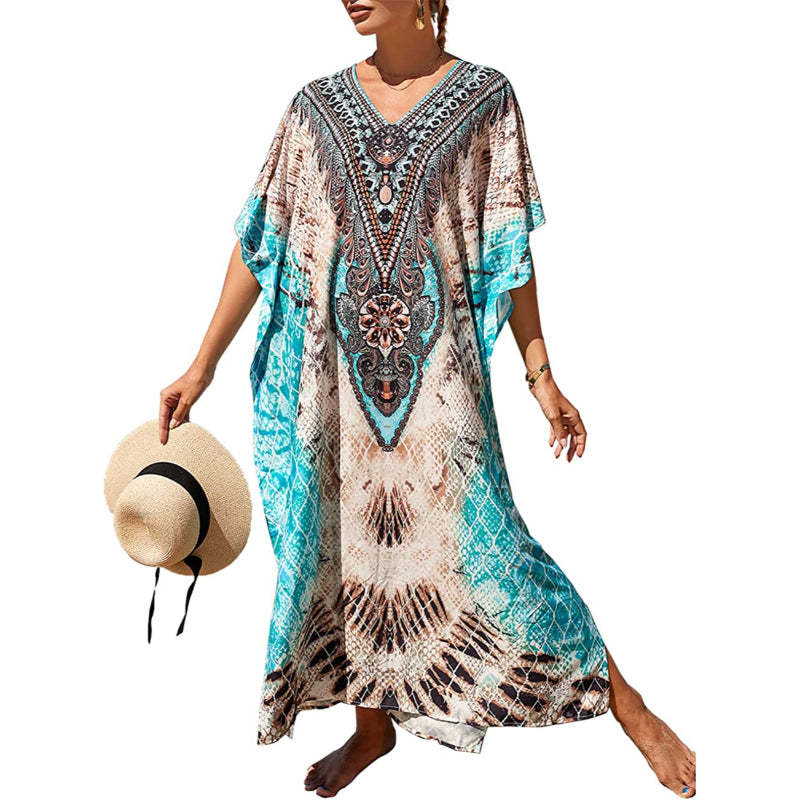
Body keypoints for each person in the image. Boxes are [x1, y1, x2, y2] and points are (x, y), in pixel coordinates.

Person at [157, 1, 696, 797]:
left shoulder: (485, 99)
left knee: (496, 553)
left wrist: (542, 377)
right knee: (345, 548)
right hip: (332, 386)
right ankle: (372, 729)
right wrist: (200, 365)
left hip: (439, 386)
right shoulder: (313, 108)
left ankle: (629, 706)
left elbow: (507, 248)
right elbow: (263, 237)